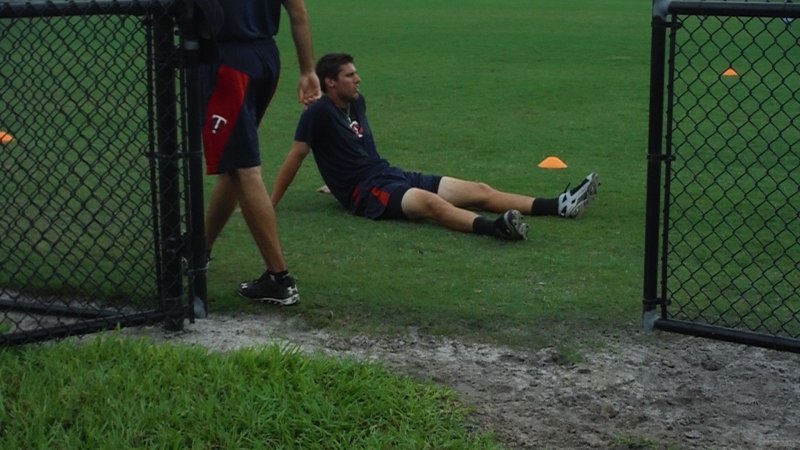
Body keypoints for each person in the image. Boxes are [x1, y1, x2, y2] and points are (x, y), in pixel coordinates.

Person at [271, 53, 598, 240]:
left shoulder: (356, 103)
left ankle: (558, 205)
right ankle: (495, 229)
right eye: (350, 75)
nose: (358, 79)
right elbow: (296, 157)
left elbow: (350, 148)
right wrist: (270, 203)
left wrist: (335, 181)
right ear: (330, 81)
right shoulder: (317, 113)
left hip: (387, 173)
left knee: (479, 190)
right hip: (368, 192)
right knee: (428, 204)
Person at [201, 0, 320, 306]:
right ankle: (198, 252)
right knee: (234, 164)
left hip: (228, 61)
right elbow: (298, 11)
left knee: (242, 167)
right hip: (265, 57)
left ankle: (279, 279)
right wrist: (307, 70)